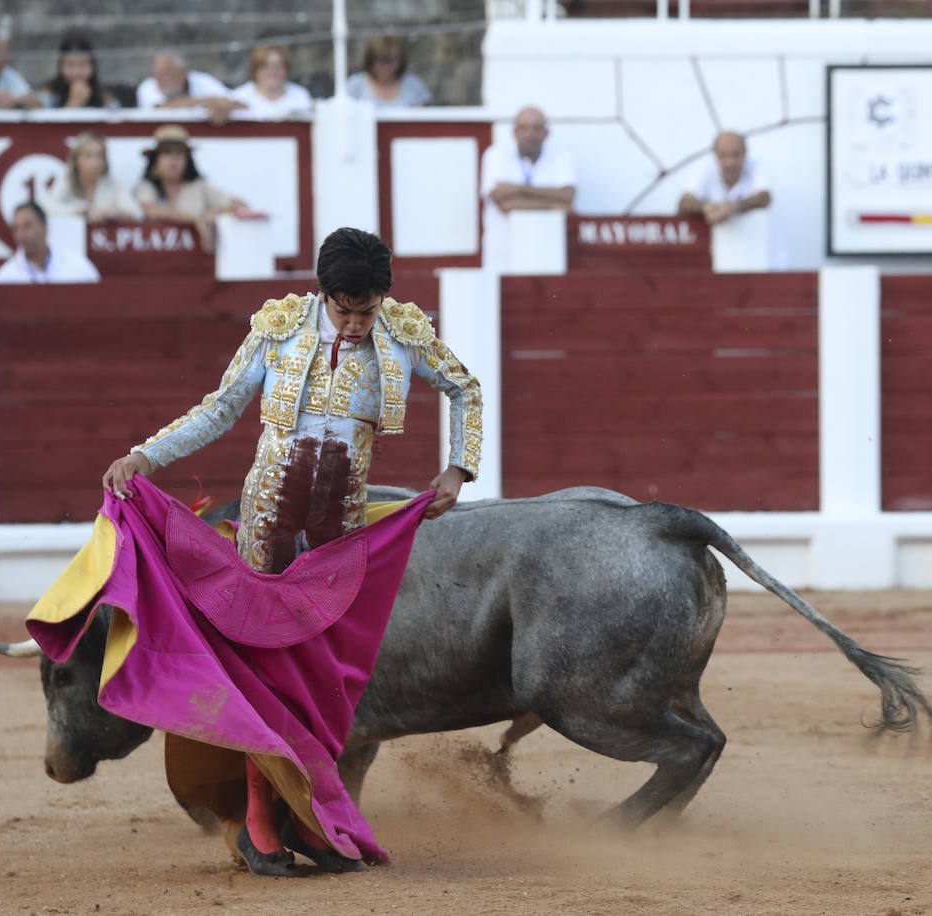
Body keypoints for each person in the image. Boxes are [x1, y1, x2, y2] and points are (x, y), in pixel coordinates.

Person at [93, 227, 480, 876]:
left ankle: (309, 812)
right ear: (324, 295)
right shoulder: (279, 329)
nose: (357, 324)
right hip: (265, 528)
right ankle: (262, 817)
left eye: (368, 310)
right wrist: (145, 454)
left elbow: (464, 388)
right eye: (345, 309)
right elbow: (219, 411)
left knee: (322, 678)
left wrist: (456, 470)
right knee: (263, 673)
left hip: (337, 539)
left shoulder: (403, 334)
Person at [479, 106, 577, 271]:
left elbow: (568, 195)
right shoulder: (496, 155)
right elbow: (505, 204)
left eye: (536, 128)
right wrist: (553, 205)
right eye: (523, 128)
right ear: (514, 132)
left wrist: (516, 189)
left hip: (548, 255)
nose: (530, 134)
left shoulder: (561, 156)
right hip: (503, 257)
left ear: (546, 132)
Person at [133, 124, 248, 253]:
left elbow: (240, 205)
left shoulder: (198, 186)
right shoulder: (146, 186)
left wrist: (211, 214)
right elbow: (151, 210)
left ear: (187, 160)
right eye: (167, 153)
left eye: (179, 154)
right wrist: (196, 219)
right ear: (155, 160)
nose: (173, 160)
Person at [678, 130, 772, 226]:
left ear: (745, 153)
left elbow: (765, 197)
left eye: (735, 154)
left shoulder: (756, 165)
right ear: (715, 154)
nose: (730, 162)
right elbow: (684, 202)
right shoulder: (704, 167)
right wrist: (706, 207)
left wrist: (734, 207)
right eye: (724, 155)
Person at [0, 201, 101, 284]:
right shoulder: (5, 277)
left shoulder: (78, 267)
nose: (21, 234)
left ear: (44, 227)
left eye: (27, 226)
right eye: (16, 229)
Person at [45, 131, 143, 222]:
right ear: (76, 160)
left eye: (99, 156)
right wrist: (80, 211)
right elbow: (47, 209)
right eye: (88, 156)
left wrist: (111, 213)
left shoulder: (111, 183)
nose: (94, 162)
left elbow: (137, 213)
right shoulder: (67, 180)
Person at [136, 51, 240, 124]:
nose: (159, 79)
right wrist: (209, 102)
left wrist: (224, 107)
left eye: (166, 73)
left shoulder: (202, 80)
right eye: (157, 73)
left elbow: (236, 102)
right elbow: (163, 109)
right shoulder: (147, 87)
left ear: (183, 73)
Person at [229, 45, 313, 121]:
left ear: (287, 69)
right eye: (265, 66)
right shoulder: (239, 97)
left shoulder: (300, 96)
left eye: (278, 66)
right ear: (255, 70)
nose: (272, 71)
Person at [344, 35, 430, 108]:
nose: (386, 68)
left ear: (401, 61)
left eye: (391, 62)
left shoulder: (413, 85)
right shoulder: (354, 86)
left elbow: (422, 121)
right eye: (381, 62)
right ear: (370, 61)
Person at [38, 32, 118, 109]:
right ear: (60, 65)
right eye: (70, 65)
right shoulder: (47, 92)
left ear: (93, 65)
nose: (76, 72)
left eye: (82, 65)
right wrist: (74, 103)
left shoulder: (105, 96)